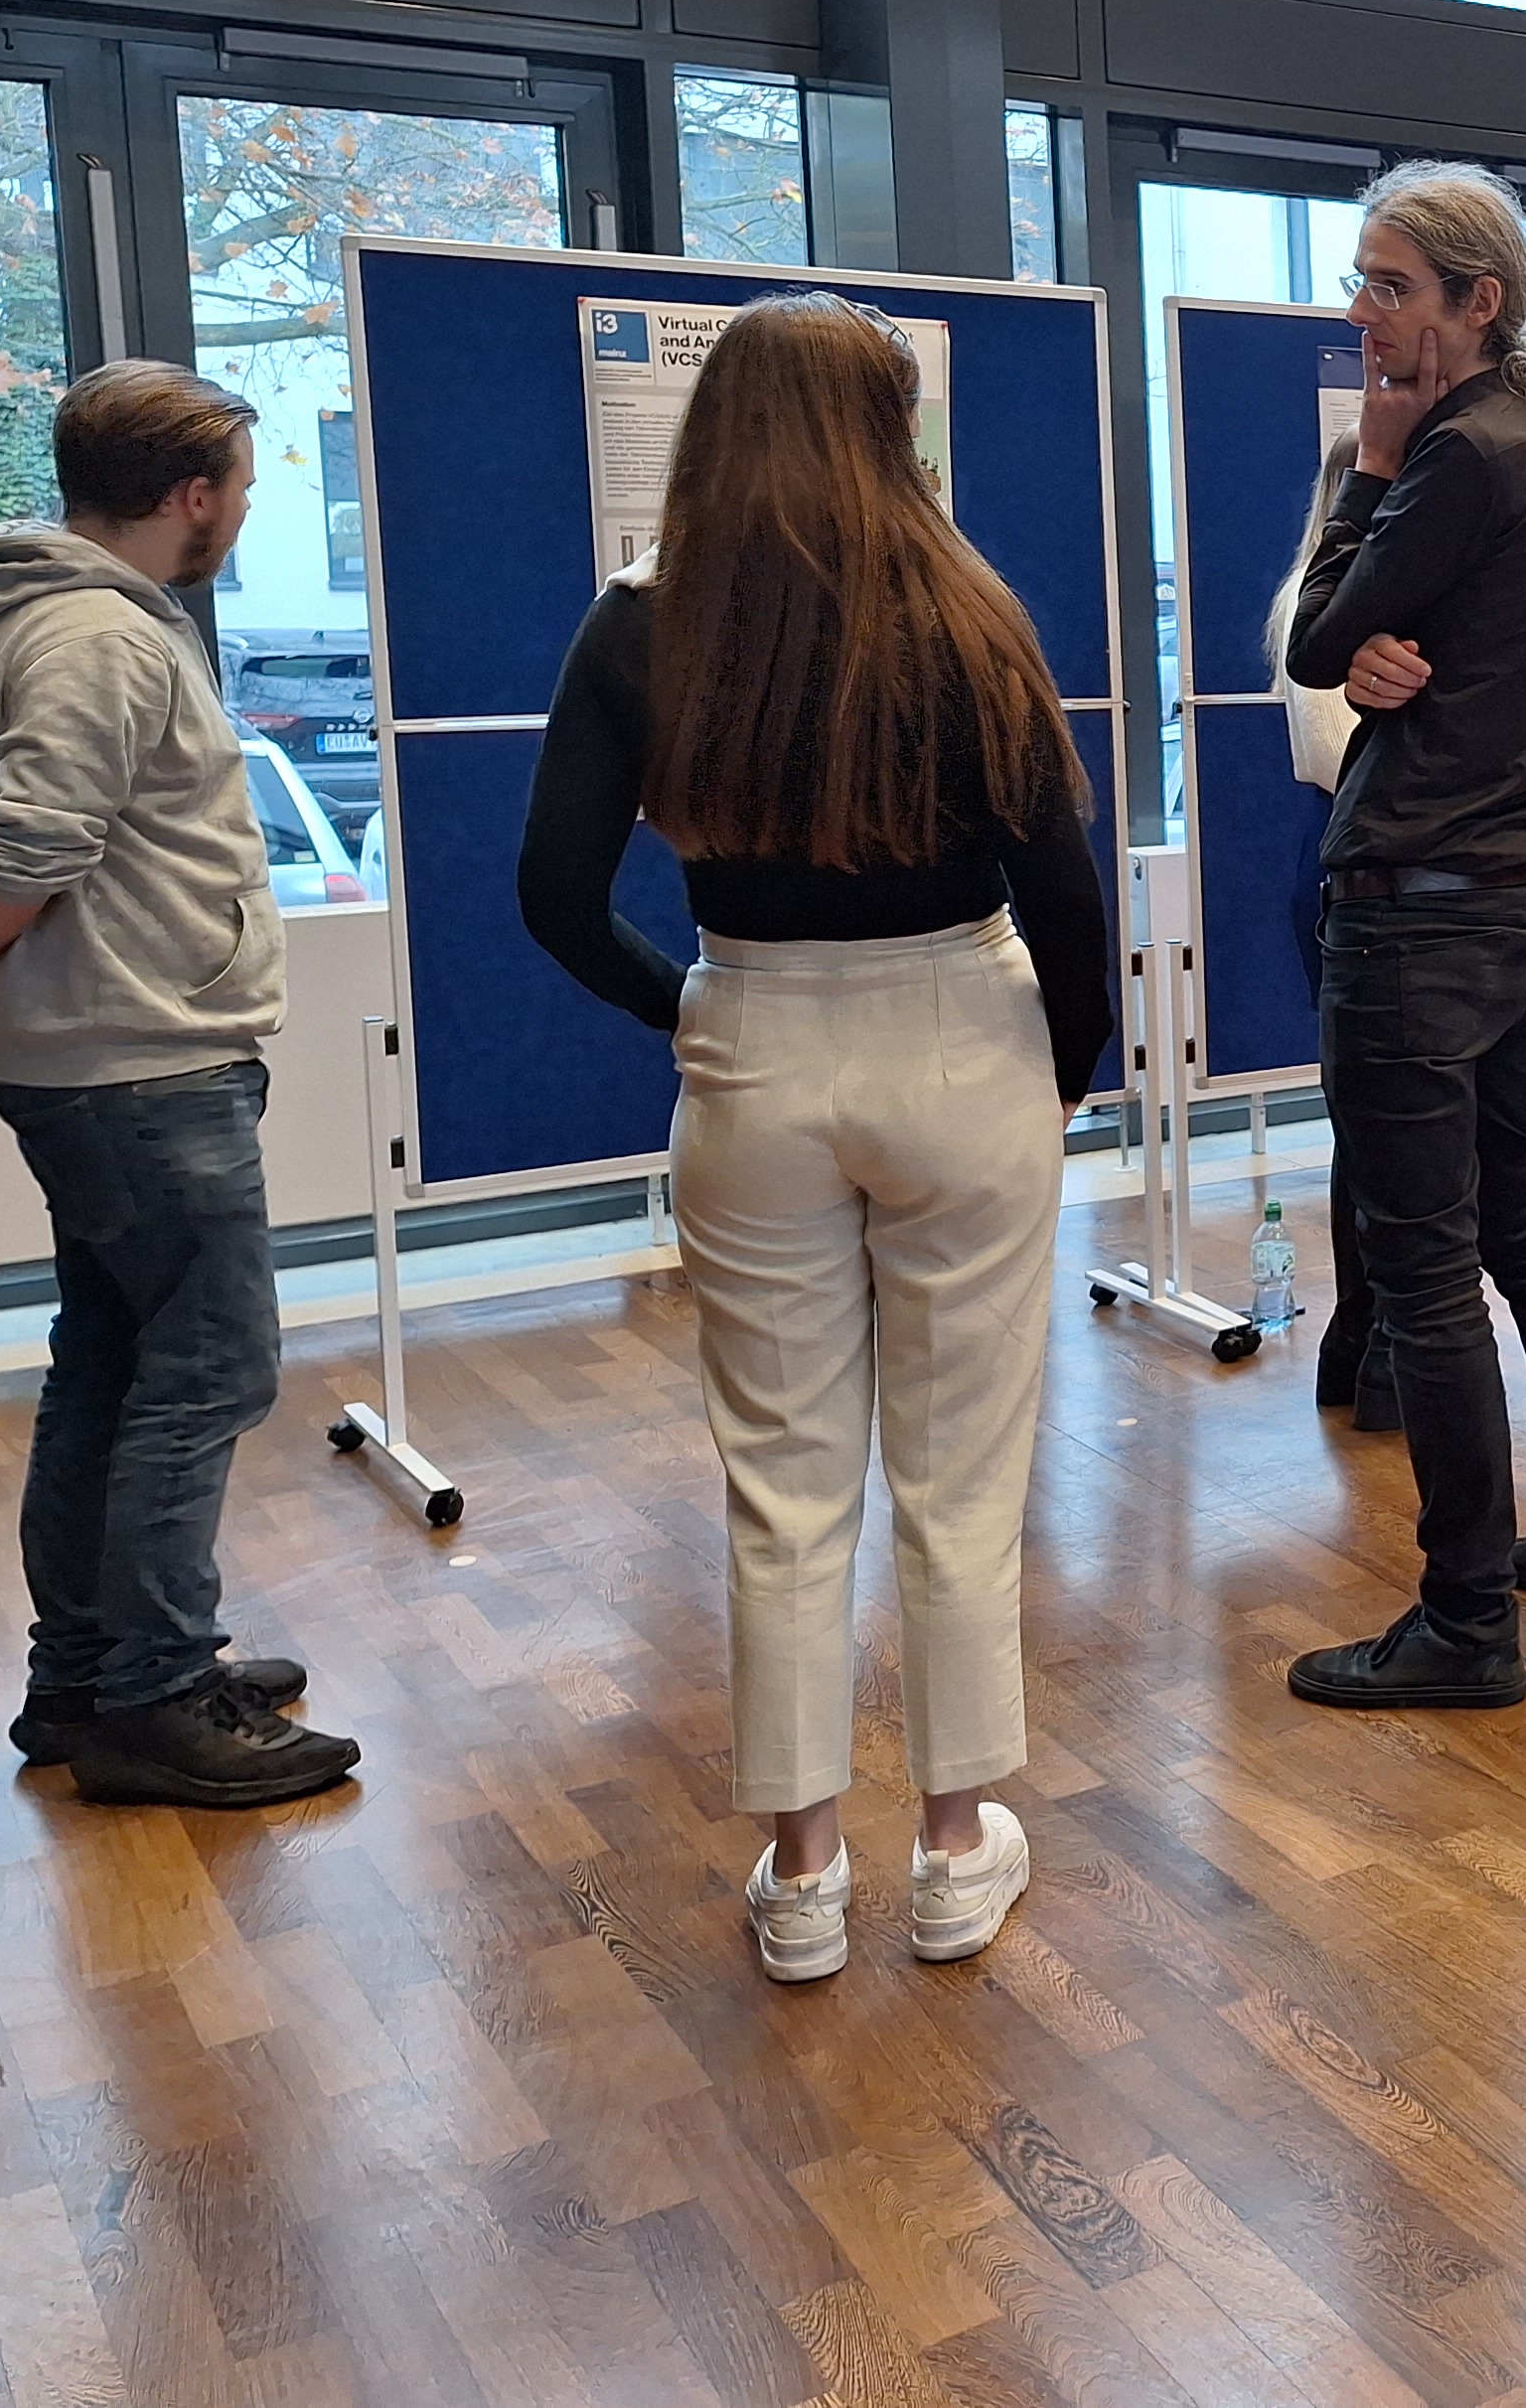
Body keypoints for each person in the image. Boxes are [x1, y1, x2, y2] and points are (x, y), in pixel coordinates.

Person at [519, 292, 1114, 1978]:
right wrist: (1060, 1068)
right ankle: (949, 1848)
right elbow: (1062, 893)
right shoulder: (964, 604)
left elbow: (554, 898)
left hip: (755, 1039)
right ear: (885, 433)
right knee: (961, 1479)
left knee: (780, 1485)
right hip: (963, 1039)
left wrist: (693, 1013)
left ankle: (798, 1877)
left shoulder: (639, 622)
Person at [1279, 163, 1526, 1705]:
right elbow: (1356, 651)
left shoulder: (1452, 455)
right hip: (1500, 907)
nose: (1358, 308)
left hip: (1416, 923)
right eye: (1360, 281)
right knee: (1522, 1228)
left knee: (1422, 1271)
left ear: (1475, 303)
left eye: (1385, 284)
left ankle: (1467, 1626)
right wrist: (1370, 641)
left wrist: (1367, 466)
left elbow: (1310, 638)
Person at [0, 363, 347, 1811]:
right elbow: (24, 839)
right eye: (240, 488)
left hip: (112, 1053)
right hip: (141, 1063)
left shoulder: (61, 620)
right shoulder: (99, 638)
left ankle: (93, 1680)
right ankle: (154, 1699)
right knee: (204, 1374)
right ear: (190, 496)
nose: (243, 510)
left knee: (114, 1368)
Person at [1262, 431, 1385, 1423]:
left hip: (1347, 868)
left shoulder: (1329, 596)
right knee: (1380, 1128)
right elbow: (1346, 761)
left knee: (1373, 1126)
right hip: (1358, 872)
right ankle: (1372, 1346)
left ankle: (1362, 1344)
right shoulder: (1335, 608)